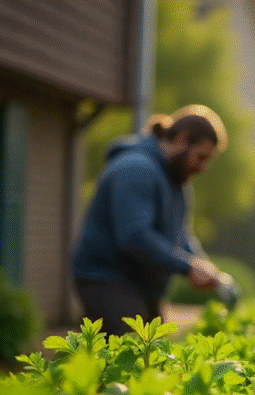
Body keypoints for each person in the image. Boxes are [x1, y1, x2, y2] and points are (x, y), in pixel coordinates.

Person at [71, 104, 236, 336]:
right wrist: (187, 267)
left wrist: (199, 262)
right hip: (107, 278)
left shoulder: (177, 181)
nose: (204, 167)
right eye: (201, 157)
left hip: (143, 284)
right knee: (130, 352)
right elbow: (134, 236)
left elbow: (180, 234)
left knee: (154, 357)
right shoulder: (136, 169)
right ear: (181, 139)